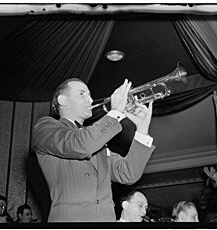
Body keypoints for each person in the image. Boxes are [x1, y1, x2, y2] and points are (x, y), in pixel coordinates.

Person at [33, 78, 155, 222]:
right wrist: (115, 113)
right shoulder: (45, 127)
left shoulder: (96, 139)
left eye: (90, 95)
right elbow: (81, 144)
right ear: (62, 100)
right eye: (82, 93)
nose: (90, 100)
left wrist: (142, 130)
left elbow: (127, 173)